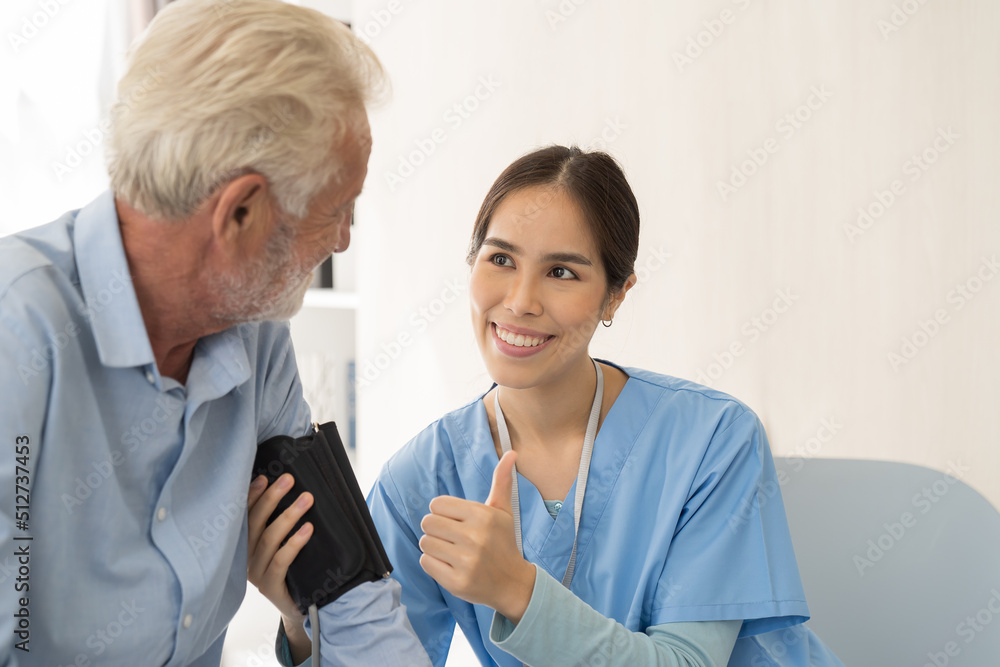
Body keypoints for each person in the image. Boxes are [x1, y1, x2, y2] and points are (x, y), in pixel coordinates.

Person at [0, 1, 429, 665]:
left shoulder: (255, 337)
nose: (345, 236)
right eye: (338, 208)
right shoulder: (18, 331)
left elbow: (347, 591)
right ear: (242, 212)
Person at [362, 146, 846, 665]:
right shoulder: (422, 477)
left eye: (562, 272)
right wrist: (300, 626)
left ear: (615, 295)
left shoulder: (713, 439)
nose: (521, 300)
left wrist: (517, 591)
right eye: (501, 259)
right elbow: (377, 653)